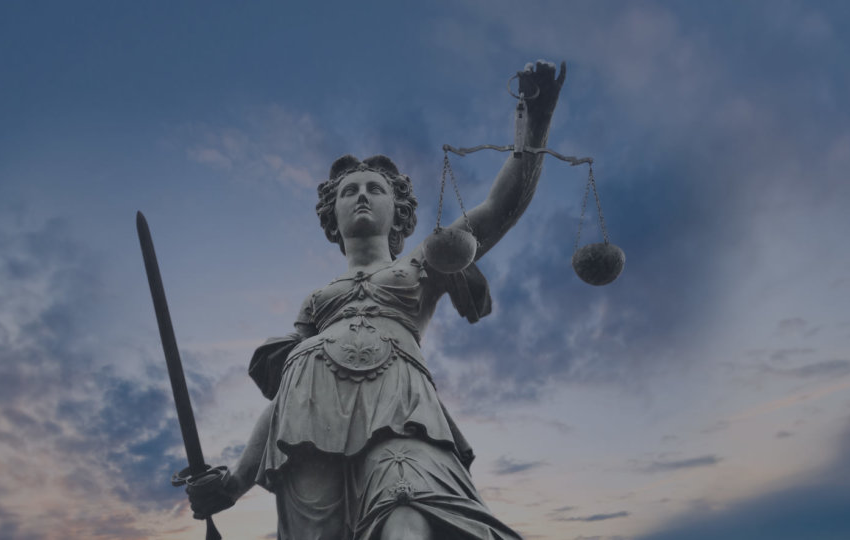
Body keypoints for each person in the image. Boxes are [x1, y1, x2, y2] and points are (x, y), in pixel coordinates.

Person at [186, 61, 566, 540]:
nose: (361, 195)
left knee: (409, 515)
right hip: (307, 415)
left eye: (375, 189)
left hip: (401, 407)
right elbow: (284, 396)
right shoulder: (317, 300)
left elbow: (497, 211)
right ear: (333, 212)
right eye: (349, 191)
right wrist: (234, 482)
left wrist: (535, 124)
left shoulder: (425, 262)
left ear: (398, 207)